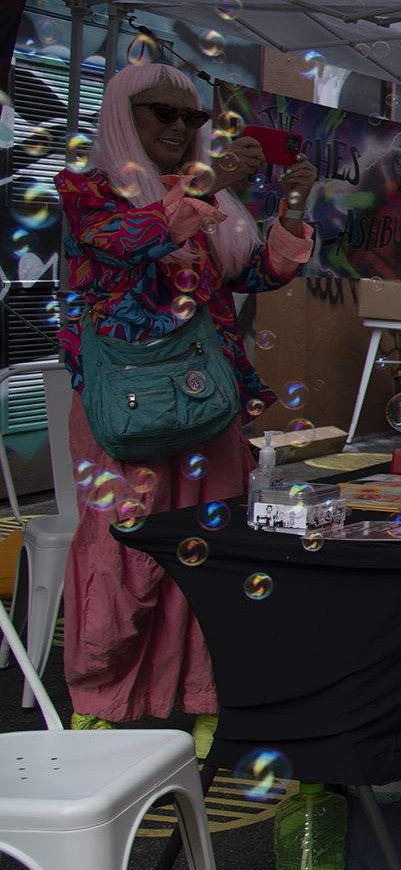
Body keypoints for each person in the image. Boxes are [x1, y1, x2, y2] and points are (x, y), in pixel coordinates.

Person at [59, 62, 315, 736]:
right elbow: (119, 247)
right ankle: (100, 703)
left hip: (206, 400)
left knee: (212, 544)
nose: (179, 127)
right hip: (125, 404)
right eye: (161, 112)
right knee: (124, 551)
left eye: (192, 117)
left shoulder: (203, 198)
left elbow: (254, 272)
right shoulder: (89, 188)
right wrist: (208, 183)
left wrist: (291, 206)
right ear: (123, 114)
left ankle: (206, 699)